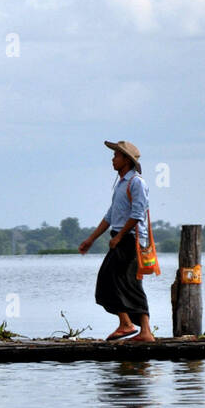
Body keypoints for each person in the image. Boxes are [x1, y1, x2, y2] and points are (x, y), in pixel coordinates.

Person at [77, 140, 155, 342]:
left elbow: (138, 214)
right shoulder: (121, 184)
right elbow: (110, 216)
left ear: (126, 161)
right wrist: (91, 240)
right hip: (120, 238)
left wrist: (119, 237)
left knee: (125, 283)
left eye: (116, 156)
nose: (113, 159)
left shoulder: (136, 182)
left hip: (131, 239)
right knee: (112, 281)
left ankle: (137, 328)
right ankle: (129, 325)